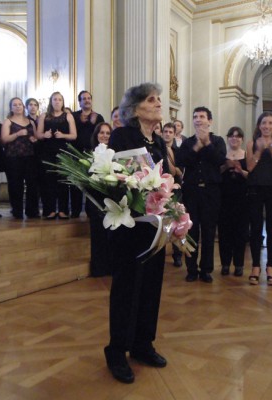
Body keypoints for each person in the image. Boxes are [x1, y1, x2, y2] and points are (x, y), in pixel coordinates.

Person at [105, 82, 169, 384]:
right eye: (151, 100)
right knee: (126, 290)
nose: (158, 103)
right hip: (130, 227)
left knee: (151, 287)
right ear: (135, 109)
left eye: (158, 99)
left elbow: (164, 182)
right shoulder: (122, 135)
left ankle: (143, 345)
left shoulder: (159, 142)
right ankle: (117, 351)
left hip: (154, 229)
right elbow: (114, 178)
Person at [176, 106, 227, 283]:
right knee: (191, 230)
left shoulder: (218, 141)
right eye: (195, 116)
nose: (198, 119)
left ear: (209, 121)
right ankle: (191, 269)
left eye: (202, 116)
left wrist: (207, 144)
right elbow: (181, 161)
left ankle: (206, 269)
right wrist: (197, 146)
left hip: (211, 192)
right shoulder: (188, 142)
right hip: (191, 191)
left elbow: (220, 160)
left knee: (208, 231)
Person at [245, 112, 272, 286]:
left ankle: (270, 267)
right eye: (264, 123)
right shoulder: (251, 143)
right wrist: (260, 150)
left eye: (270, 123)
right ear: (259, 125)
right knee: (255, 229)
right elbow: (250, 167)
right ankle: (255, 266)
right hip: (254, 189)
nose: (267, 126)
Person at [35, 91, 77, 219]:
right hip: (47, 152)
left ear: (63, 102)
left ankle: (63, 210)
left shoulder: (68, 116)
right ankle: (50, 210)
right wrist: (44, 135)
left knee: (62, 181)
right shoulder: (44, 116)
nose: (57, 102)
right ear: (51, 101)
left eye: (59, 99)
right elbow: (38, 135)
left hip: (63, 152)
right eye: (55, 99)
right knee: (48, 182)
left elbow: (74, 135)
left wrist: (63, 135)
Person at [1, 97, 39, 219]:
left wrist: (34, 139)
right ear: (11, 108)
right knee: (15, 185)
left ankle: (31, 211)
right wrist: (17, 134)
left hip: (29, 156)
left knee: (32, 184)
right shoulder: (8, 121)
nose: (18, 107)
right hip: (13, 157)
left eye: (19, 104)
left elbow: (35, 137)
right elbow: (4, 139)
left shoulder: (31, 122)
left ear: (23, 106)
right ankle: (17, 211)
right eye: (15, 105)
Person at [218, 127, 249, 277]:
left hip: (242, 200)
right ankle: (225, 264)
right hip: (224, 199)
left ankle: (239, 265)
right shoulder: (222, 155)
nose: (234, 139)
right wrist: (226, 166)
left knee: (240, 233)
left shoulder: (247, 155)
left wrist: (240, 171)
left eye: (237, 137)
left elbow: (253, 177)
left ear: (242, 139)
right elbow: (215, 174)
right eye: (231, 136)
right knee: (224, 232)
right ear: (228, 138)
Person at [72, 90, 104, 218]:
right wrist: (86, 123)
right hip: (76, 153)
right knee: (76, 184)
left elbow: (100, 134)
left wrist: (92, 123)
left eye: (89, 98)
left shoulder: (98, 117)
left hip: (93, 154)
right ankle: (75, 211)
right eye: (83, 98)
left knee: (92, 184)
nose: (87, 100)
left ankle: (91, 212)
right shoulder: (74, 116)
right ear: (79, 102)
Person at [87, 122, 113, 276]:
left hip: (110, 199)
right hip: (95, 199)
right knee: (97, 235)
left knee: (110, 235)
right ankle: (98, 268)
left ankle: (110, 266)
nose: (104, 135)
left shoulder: (114, 153)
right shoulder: (90, 154)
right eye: (101, 132)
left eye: (108, 133)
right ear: (96, 135)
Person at [161, 122, 184, 267]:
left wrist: (167, 156)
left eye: (170, 132)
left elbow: (178, 172)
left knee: (177, 222)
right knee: (162, 223)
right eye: (165, 131)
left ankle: (178, 255)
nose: (167, 134)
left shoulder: (179, 151)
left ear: (174, 134)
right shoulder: (157, 149)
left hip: (176, 190)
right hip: (161, 189)